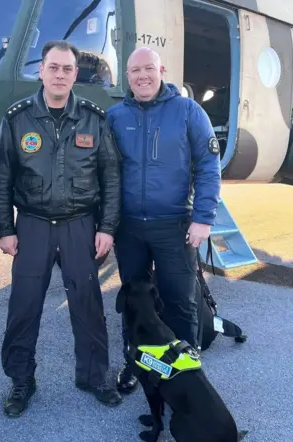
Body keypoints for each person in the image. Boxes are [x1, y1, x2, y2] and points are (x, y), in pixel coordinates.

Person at [0, 40, 123, 417]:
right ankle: (21, 381)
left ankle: (94, 376)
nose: (61, 75)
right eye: (54, 67)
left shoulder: (93, 118)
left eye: (68, 69)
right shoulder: (17, 118)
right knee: (23, 306)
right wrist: (5, 228)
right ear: (42, 71)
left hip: (80, 224)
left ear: (75, 74)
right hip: (32, 224)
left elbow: (110, 177)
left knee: (87, 305)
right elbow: (2, 177)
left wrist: (108, 227)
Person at [106, 47, 221, 393]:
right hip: (129, 228)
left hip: (175, 224)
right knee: (134, 301)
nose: (142, 76)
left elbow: (208, 166)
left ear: (162, 70)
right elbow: (103, 172)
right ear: (126, 76)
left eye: (148, 68)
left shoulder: (187, 111)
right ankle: (135, 363)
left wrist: (203, 218)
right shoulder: (114, 116)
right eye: (134, 70)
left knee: (180, 300)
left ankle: (187, 372)